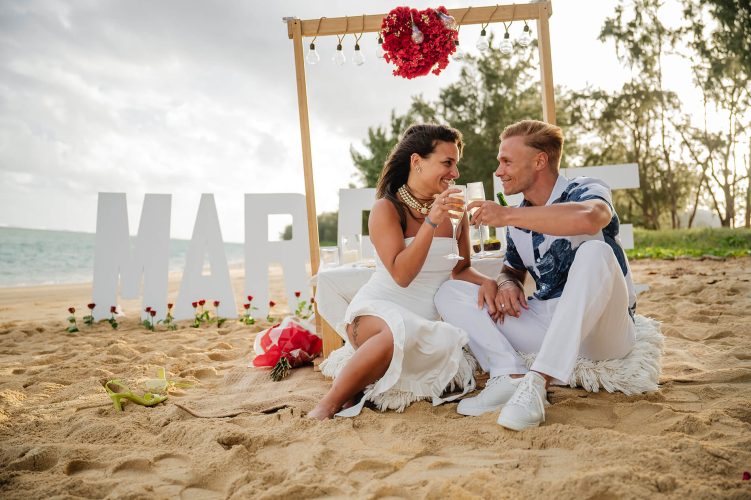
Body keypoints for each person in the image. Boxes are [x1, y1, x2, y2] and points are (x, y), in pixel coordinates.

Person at [435, 119, 637, 431]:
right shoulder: (518, 216)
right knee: (449, 292)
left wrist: (506, 215)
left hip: (605, 335)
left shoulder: (585, 189)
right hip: (549, 322)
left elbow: (591, 218)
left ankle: (537, 381)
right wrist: (506, 283)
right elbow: (511, 269)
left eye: (506, 161)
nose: (499, 171)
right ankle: (510, 374)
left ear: (539, 160)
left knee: (596, 252)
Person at [308, 123, 499, 420]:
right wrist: (431, 223)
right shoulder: (386, 209)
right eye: (447, 163)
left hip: (426, 320)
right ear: (416, 162)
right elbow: (401, 274)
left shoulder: (455, 211)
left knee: (419, 332)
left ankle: (365, 383)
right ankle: (327, 405)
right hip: (376, 313)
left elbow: (461, 269)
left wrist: (487, 282)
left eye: (456, 165)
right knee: (396, 333)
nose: (455, 174)